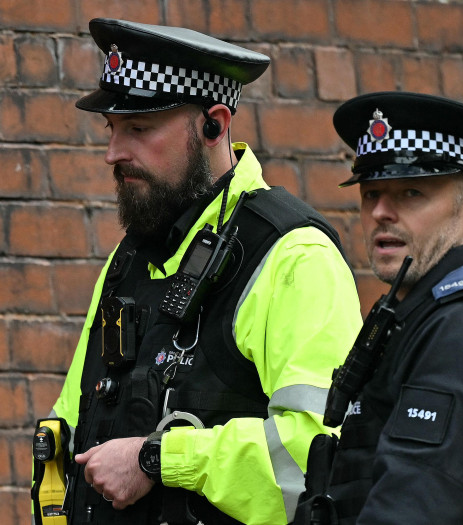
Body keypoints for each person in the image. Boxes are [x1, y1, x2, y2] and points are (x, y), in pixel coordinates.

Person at [42, 18, 363, 525]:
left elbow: (319, 455)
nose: (113, 153)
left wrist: (161, 459)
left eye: (139, 129)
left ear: (213, 124)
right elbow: (70, 425)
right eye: (111, 129)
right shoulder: (128, 259)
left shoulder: (294, 256)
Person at [307, 92, 463, 524]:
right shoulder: (424, 311)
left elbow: (415, 508)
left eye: (411, 192)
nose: (381, 213)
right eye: (371, 194)